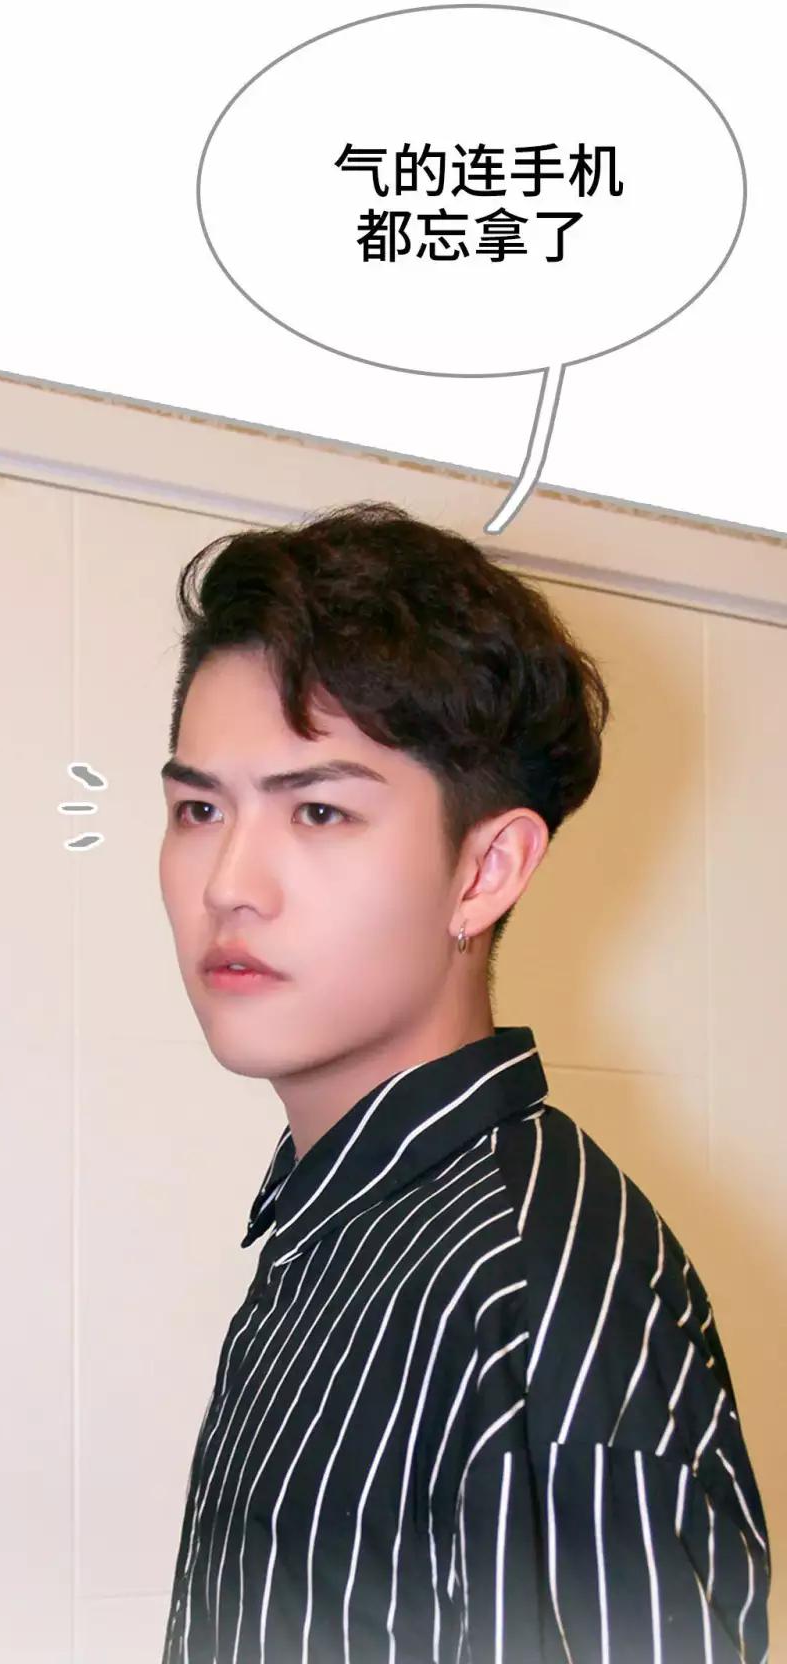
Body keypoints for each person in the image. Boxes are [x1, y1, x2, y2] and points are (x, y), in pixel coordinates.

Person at [156, 502, 770, 1663]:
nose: (228, 880)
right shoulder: (333, 1228)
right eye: (199, 808)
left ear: (484, 870)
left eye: (318, 809)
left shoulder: (534, 1288)